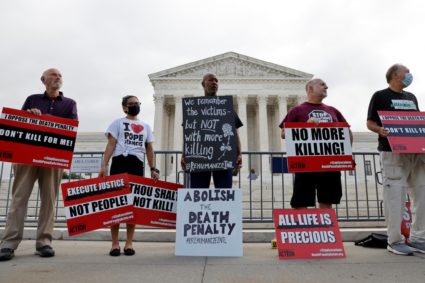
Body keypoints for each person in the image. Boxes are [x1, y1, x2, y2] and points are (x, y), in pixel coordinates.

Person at [0, 68, 78, 261]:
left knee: (49, 201)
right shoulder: (32, 99)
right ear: (43, 80)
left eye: (60, 75)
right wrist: (29, 114)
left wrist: (47, 119)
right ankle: (9, 243)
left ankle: (44, 242)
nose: (57, 77)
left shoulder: (70, 104)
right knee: (19, 199)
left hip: (52, 159)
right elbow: (19, 123)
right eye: (53, 75)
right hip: (27, 158)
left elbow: (72, 127)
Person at [367, 64, 425, 256]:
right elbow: (370, 122)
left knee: (422, 194)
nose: (409, 75)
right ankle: (395, 240)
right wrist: (379, 130)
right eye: (406, 72)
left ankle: (418, 238)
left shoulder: (411, 97)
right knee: (395, 196)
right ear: (395, 75)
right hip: (392, 152)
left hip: (416, 153)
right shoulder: (380, 96)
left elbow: (416, 121)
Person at [99, 95, 159, 257]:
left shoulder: (145, 126)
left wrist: (153, 168)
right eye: (131, 104)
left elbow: (149, 148)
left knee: (133, 206)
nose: (135, 106)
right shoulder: (117, 123)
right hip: (119, 162)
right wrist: (104, 165)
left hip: (136, 164)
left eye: (137, 103)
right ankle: (115, 243)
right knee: (116, 204)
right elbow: (111, 144)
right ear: (124, 107)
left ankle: (129, 243)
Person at [279, 78, 353, 209]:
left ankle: (325, 228)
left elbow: (347, 132)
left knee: (327, 200)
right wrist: (305, 127)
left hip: (330, 163)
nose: (327, 87)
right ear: (310, 89)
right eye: (322, 84)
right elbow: (284, 134)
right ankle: (303, 229)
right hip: (306, 164)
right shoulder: (296, 111)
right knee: (301, 201)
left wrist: (347, 154)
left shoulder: (333, 110)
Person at [181, 73, 243, 188]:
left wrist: (239, 153)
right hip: (199, 159)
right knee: (198, 194)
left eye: (216, 81)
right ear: (203, 84)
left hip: (223, 158)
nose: (214, 82)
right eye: (210, 80)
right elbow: (189, 134)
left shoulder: (226, 107)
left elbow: (234, 132)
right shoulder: (194, 108)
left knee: (224, 193)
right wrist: (184, 154)